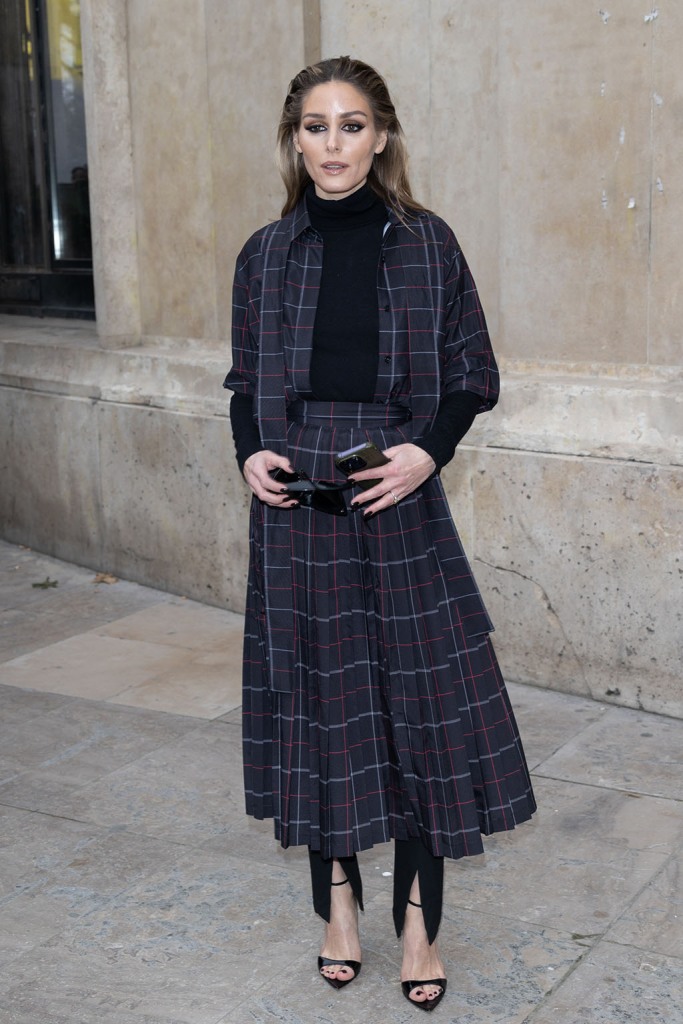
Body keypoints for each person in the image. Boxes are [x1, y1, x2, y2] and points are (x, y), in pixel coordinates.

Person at [224, 55, 536, 1012]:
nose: (333, 145)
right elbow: (242, 382)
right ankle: (338, 910)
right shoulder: (264, 253)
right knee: (322, 704)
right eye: (315, 127)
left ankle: (417, 923)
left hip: (394, 490)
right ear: (293, 139)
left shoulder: (427, 244)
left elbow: (470, 373)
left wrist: (425, 453)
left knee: (418, 714)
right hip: (296, 505)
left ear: (383, 135)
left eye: (351, 125)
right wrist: (249, 454)